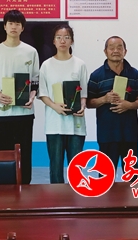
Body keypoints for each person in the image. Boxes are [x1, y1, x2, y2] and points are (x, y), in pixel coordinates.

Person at [0, 10, 40, 184]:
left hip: (25, 112)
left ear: (22, 28)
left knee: (25, 152)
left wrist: (32, 96)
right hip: (3, 111)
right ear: (4, 26)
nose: (14, 27)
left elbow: (35, 78)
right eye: (10, 23)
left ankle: (25, 185)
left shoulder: (30, 51)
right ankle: (5, 187)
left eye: (17, 24)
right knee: (4, 153)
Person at [38, 24, 87, 184]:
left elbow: (84, 93)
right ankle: (56, 198)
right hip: (54, 125)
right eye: (59, 37)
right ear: (53, 41)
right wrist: (55, 106)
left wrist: (82, 106)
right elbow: (43, 93)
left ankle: (76, 197)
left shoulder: (80, 64)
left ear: (72, 40)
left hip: (76, 124)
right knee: (56, 167)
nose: (62, 41)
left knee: (76, 169)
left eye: (66, 37)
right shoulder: (46, 65)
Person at [87, 36, 138, 170]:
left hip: (129, 132)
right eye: (111, 48)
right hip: (107, 133)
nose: (116, 51)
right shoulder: (96, 75)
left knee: (131, 173)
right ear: (105, 51)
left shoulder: (134, 73)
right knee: (105, 174)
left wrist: (129, 105)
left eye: (119, 47)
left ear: (125, 51)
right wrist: (104, 99)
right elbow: (88, 103)